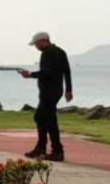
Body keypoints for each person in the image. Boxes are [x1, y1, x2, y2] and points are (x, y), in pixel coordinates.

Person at [17, 31, 72, 161]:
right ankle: (42, 148)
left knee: (48, 120)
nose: (36, 47)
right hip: (57, 90)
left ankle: (57, 151)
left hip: (48, 91)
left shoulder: (47, 53)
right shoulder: (60, 51)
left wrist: (30, 74)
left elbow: (46, 72)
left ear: (43, 41)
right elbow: (67, 71)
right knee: (41, 117)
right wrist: (69, 90)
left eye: (36, 44)